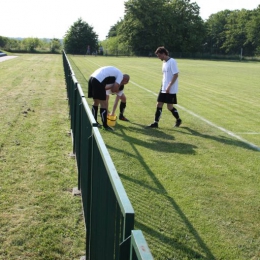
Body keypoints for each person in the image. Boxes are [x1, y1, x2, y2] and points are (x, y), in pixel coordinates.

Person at [148, 46, 182, 128]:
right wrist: (163, 85)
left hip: (170, 88)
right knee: (159, 104)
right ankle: (155, 122)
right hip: (163, 87)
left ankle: (178, 119)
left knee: (169, 107)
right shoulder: (164, 62)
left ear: (164, 54)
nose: (158, 57)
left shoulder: (172, 61)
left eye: (159, 55)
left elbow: (176, 74)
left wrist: (169, 86)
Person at [88, 66, 130, 130]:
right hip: (98, 80)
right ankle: (105, 126)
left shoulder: (115, 73)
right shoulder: (120, 75)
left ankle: (94, 122)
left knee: (96, 102)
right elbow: (114, 89)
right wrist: (116, 86)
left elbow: (110, 88)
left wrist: (113, 87)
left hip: (92, 78)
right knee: (103, 105)